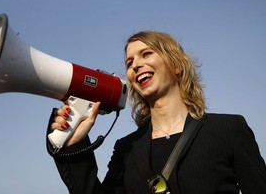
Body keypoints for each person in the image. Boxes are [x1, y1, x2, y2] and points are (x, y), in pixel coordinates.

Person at [46, 31, 266, 194]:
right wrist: (76, 145)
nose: (135, 65)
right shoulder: (126, 148)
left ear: (177, 65)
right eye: (130, 62)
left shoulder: (228, 130)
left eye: (146, 54)